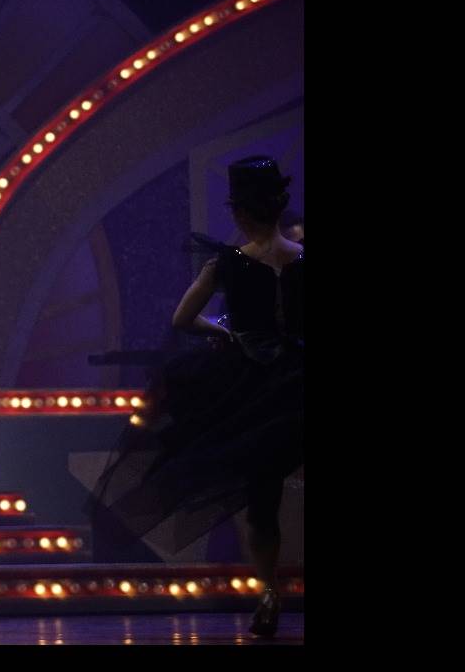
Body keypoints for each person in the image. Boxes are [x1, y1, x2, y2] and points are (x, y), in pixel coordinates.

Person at [90, 155, 303, 638]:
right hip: (296, 379)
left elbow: (182, 320)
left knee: (262, 498)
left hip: (253, 385)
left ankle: (269, 592)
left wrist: (226, 333)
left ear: (240, 212)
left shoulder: (226, 263)